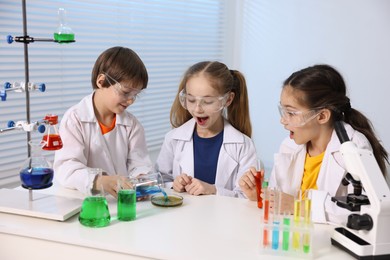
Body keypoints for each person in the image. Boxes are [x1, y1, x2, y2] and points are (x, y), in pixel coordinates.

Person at [239, 64, 388, 224]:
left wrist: (298, 207)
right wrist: (261, 195)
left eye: (291, 113)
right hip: (294, 238)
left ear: (322, 116)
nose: (283, 120)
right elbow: (281, 201)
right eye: (283, 111)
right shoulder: (290, 145)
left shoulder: (353, 147)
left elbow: (369, 211)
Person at [54, 46, 152, 198]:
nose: (131, 100)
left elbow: (139, 164)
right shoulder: (75, 119)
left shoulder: (132, 125)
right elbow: (67, 167)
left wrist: (142, 178)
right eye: (126, 92)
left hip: (122, 201)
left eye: (136, 94)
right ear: (101, 81)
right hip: (86, 201)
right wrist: (99, 181)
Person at [155, 61, 258, 197]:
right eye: (191, 100)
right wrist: (174, 184)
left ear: (227, 100)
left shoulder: (243, 145)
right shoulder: (173, 139)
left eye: (208, 101)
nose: (198, 109)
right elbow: (159, 181)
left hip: (225, 218)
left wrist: (214, 190)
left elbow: (247, 197)